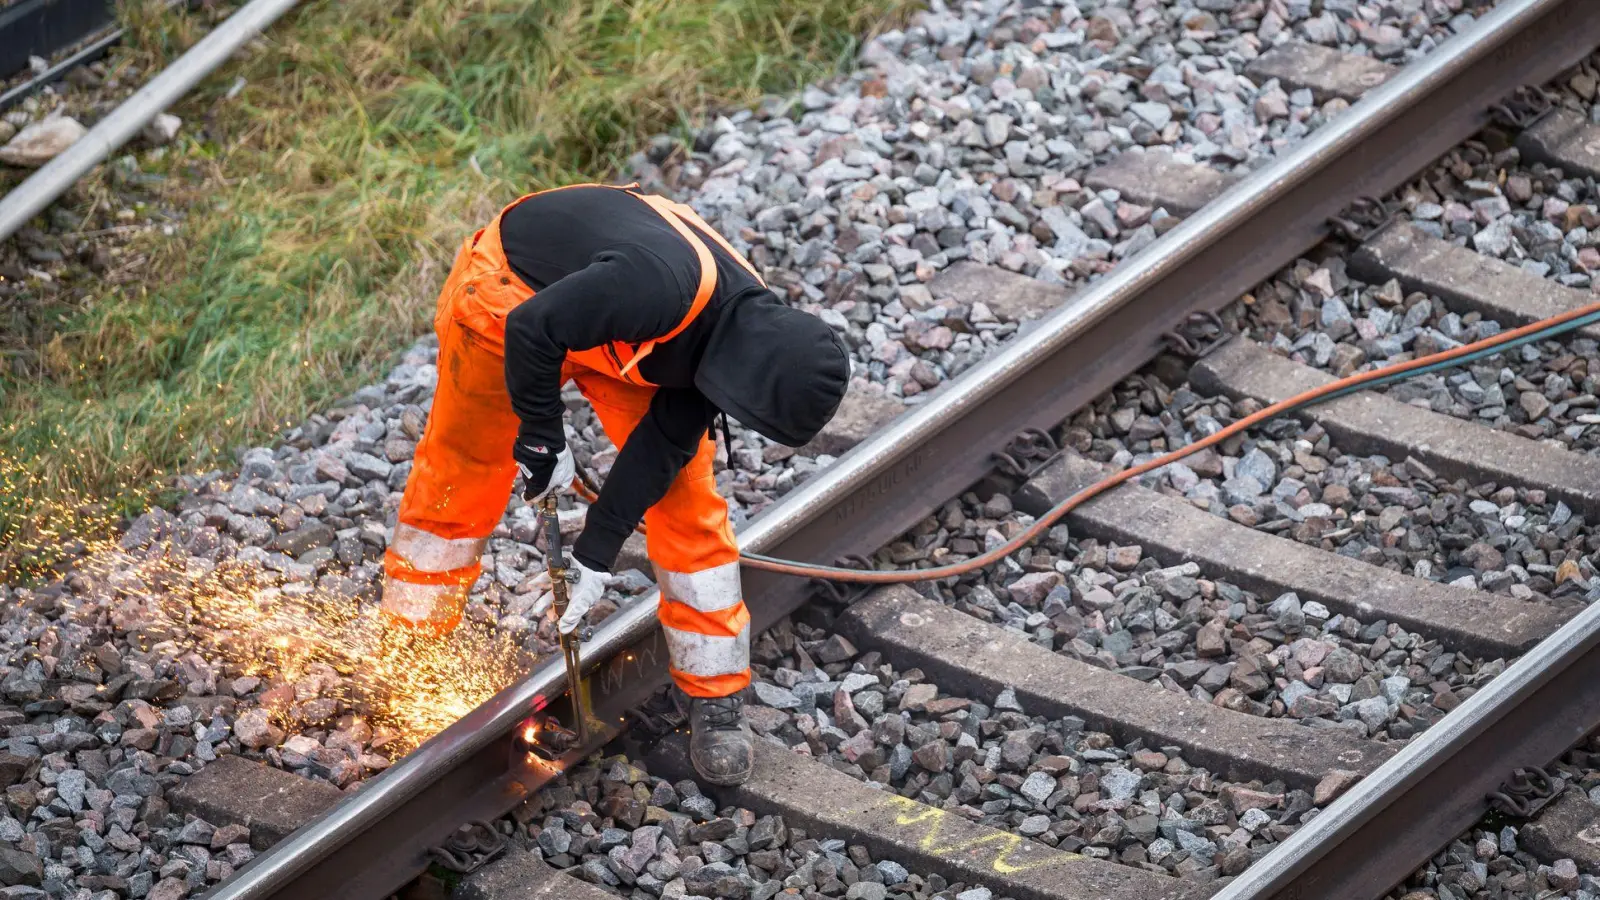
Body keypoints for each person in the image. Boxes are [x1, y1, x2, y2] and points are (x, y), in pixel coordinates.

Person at [379, 182, 850, 785]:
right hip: (513, 295)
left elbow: (660, 450)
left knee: (688, 504)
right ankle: (410, 648)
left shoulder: (745, 339)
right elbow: (532, 329)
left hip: (622, 323)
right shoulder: (657, 288)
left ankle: (715, 692)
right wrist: (544, 439)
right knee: (464, 472)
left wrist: (595, 551)